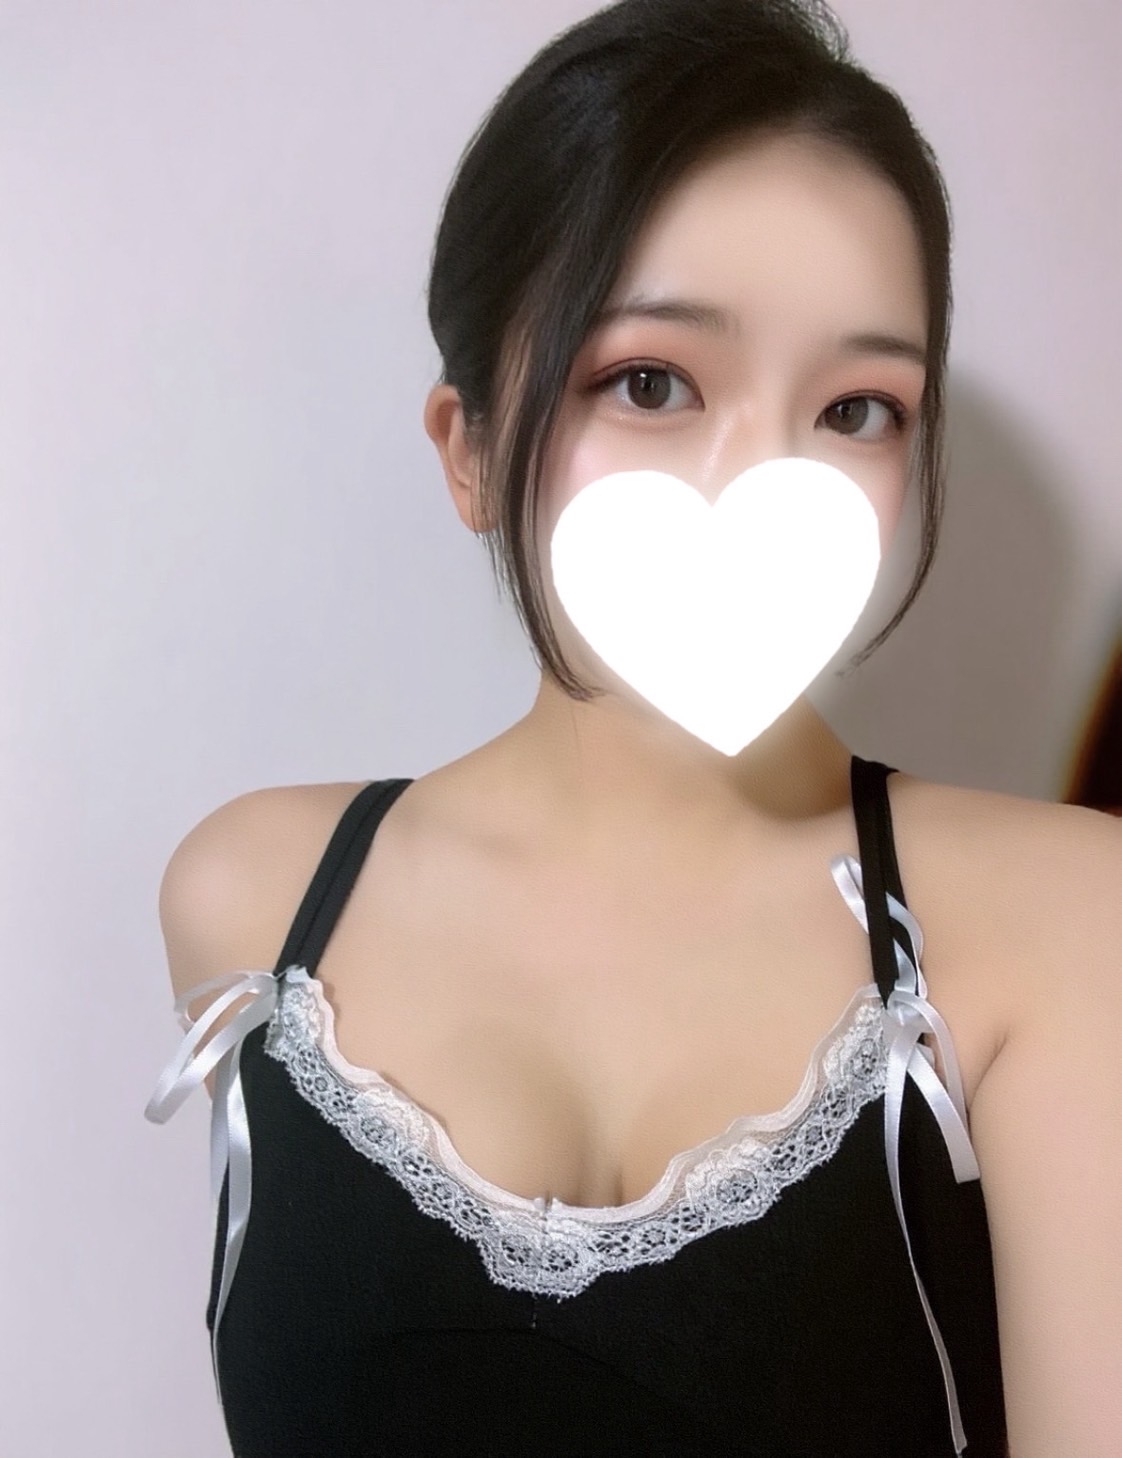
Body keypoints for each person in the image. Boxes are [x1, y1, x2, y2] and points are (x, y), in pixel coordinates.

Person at [145, 1, 1120, 1453]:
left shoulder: (1065, 920)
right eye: (650, 382)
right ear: (471, 446)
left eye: (857, 408)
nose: (761, 484)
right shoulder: (255, 898)